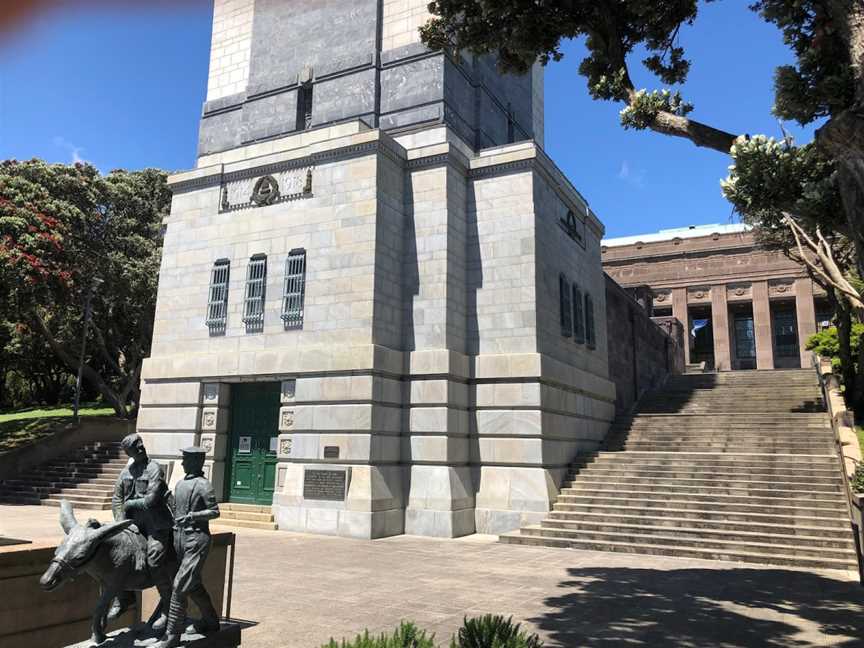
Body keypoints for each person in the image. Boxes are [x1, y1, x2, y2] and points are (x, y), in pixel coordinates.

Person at [156, 446, 221, 647]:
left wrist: (194, 516)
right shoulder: (181, 483)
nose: (182, 463)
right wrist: (169, 501)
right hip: (179, 539)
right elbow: (179, 511)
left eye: (185, 459)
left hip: (197, 539)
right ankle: (211, 621)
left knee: (179, 586)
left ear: (195, 461)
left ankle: (172, 635)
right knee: (192, 585)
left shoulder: (204, 485)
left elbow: (214, 511)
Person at [109, 433, 173, 621]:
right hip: (133, 525)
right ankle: (124, 598)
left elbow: (152, 499)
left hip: (156, 525)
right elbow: (117, 499)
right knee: (115, 556)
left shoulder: (154, 469)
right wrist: (121, 522)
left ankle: (169, 606)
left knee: (154, 559)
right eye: (135, 446)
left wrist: (129, 505)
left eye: (141, 444)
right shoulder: (125, 472)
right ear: (129, 452)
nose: (140, 447)